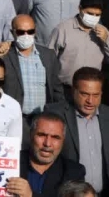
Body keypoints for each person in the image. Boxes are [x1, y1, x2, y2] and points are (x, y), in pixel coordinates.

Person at [0, 14, 65, 134]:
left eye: (30, 31)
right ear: (12, 32)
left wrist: (58, 114)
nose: (26, 35)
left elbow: (56, 89)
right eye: (21, 32)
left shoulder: (48, 55)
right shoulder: (4, 55)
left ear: (35, 31)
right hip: (15, 120)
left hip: (43, 119)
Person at [45, 66, 109, 195]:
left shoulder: (107, 115)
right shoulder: (56, 113)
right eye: (84, 94)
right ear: (73, 91)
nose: (90, 101)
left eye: (96, 95)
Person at [12, 112, 88, 197]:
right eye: (42, 135)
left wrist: (31, 195)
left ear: (63, 140)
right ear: (31, 135)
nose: (47, 144)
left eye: (55, 137)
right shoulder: (11, 161)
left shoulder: (74, 172)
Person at [49, 0, 109, 90]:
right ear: (80, 8)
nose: (93, 17)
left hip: (92, 89)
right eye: (90, 13)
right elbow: (49, 59)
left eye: (97, 15)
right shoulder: (63, 29)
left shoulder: (103, 32)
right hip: (65, 88)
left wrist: (106, 41)